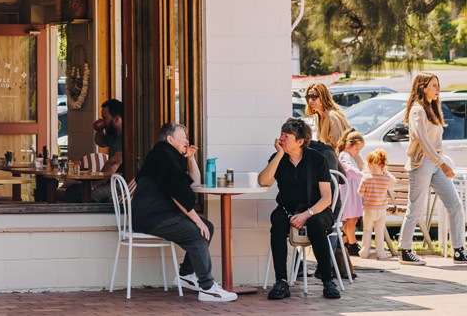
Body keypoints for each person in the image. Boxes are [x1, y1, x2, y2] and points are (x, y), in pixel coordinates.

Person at [132, 122, 237, 302]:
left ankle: (186, 275)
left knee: (208, 227)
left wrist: (190, 158)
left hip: (158, 214)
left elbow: (194, 182)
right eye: (183, 137)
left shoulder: (166, 154)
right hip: (152, 217)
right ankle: (207, 287)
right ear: (170, 139)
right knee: (198, 232)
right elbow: (178, 194)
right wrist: (197, 221)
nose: (187, 141)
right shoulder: (163, 156)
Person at [258, 117, 340, 301]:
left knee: (317, 225)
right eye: (281, 134)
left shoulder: (317, 159)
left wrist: (307, 214)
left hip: (316, 209)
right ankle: (281, 281)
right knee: (277, 220)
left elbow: (327, 197)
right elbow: (263, 181)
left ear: (300, 141)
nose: (281, 139)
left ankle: (328, 280)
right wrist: (279, 155)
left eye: (287, 136)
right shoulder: (279, 158)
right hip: (287, 209)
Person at [397, 72, 466, 265]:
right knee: (416, 209)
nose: (438, 89)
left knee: (455, 205)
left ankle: (459, 250)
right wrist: (441, 163)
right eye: (433, 85)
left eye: (438, 85)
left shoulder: (432, 109)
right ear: (423, 87)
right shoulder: (417, 110)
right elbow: (423, 140)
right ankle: (405, 250)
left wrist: (439, 161)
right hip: (422, 163)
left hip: (435, 163)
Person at [358, 148, 396, 260]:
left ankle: (365, 252)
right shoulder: (385, 179)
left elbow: (360, 192)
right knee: (379, 232)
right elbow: (394, 181)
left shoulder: (366, 178)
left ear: (369, 163)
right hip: (382, 210)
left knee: (367, 230)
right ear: (383, 164)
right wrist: (386, 172)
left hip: (369, 209)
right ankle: (380, 253)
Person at [335, 129, 366, 255]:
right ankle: (352, 244)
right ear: (349, 145)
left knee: (352, 218)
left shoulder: (347, 156)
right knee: (352, 218)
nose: (357, 152)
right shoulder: (344, 156)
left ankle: (347, 241)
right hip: (349, 192)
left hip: (352, 191)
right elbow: (349, 169)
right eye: (356, 149)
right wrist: (363, 175)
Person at [305, 83, 351, 148]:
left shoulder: (332, 116)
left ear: (323, 97)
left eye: (314, 97)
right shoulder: (318, 116)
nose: (310, 100)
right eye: (308, 97)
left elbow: (337, 145)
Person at [92, 98, 124, 176]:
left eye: (105, 118)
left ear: (116, 119)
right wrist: (99, 130)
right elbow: (101, 143)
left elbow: (113, 163)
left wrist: (96, 183)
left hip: (120, 184)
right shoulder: (113, 134)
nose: (102, 121)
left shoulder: (125, 138)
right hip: (111, 180)